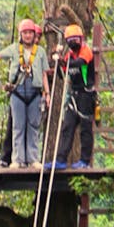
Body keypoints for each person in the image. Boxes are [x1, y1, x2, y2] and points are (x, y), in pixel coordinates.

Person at [0, 19, 51, 169]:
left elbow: (44, 73)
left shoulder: (40, 52)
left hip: (35, 92)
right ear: (21, 35)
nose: (28, 36)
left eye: (30, 33)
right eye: (25, 33)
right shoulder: (15, 49)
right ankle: (17, 159)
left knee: (33, 126)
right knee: (18, 126)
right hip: (18, 91)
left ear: (34, 35)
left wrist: (47, 94)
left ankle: (33, 159)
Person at [44, 24, 97, 171]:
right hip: (74, 95)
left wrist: (63, 61)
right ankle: (60, 160)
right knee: (67, 127)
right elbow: (65, 73)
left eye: (76, 40)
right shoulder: (69, 55)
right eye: (70, 40)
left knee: (86, 129)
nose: (74, 43)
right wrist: (58, 65)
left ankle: (85, 161)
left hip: (86, 95)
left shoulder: (86, 51)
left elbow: (80, 63)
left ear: (81, 39)